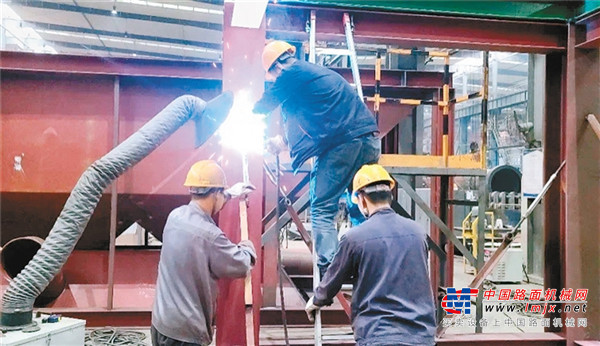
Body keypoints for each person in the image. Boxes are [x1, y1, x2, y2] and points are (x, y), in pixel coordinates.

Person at [253, 40, 380, 277]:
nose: (272, 81)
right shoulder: (311, 77)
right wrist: (281, 142)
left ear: (275, 67)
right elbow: (315, 120)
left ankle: (329, 268)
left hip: (342, 145)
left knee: (322, 206)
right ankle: (372, 260)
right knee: (360, 202)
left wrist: (242, 114)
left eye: (270, 77)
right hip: (368, 140)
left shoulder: (290, 72)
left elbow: (265, 104)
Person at [305, 164, 436, 346]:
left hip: (378, 334)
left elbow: (334, 278)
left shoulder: (354, 238)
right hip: (421, 336)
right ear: (390, 195)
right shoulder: (418, 232)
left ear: (362, 200)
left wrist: (317, 299)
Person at [151, 160, 256, 346]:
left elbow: (210, 205)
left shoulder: (175, 217)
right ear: (216, 194)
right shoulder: (210, 236)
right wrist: (247, 246)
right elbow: (241, 264)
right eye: (222, 193)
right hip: (186, 335)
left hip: (161, 324)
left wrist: (230, 193)